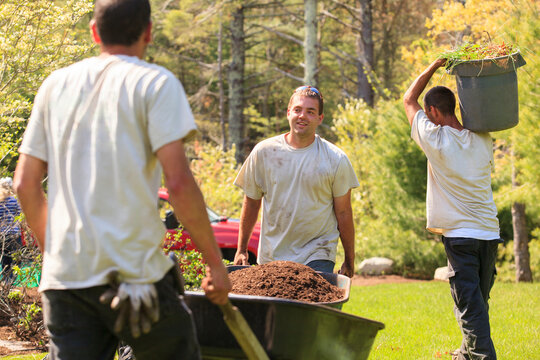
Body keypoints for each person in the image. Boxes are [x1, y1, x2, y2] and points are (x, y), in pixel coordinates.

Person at [14, 0, 231, 359]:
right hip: (136, 276)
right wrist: (215, 263)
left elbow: (24, 184)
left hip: (67, 281)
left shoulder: (55, 86)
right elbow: (177, 185)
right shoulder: (156, 84)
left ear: (94, 32)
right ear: (148, 33)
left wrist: (55, 253)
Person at [403, 59, 501, 360]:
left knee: (470, 306)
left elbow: (408, 99)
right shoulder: (483, 139)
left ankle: (482, 357)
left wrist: (434, 65)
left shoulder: (435, 139)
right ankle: (465, 354)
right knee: (477, 303)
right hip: (488, 232)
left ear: (432, 112)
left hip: (460, 237)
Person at [233, 86, 359, 277]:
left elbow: (343, 212)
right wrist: (241, 249)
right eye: (298, 110)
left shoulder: (335, 159)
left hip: (317, 253)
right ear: (288, 113)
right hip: (272, 256)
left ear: (320, 118)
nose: (303, 116)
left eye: (311, 112)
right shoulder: (264, 152)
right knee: (275, 308)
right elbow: (251, 203)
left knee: (310, 305)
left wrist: (350, 260)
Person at [0, 177, 22, 281]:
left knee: (5, 260)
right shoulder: (14, 201)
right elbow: (20, 216)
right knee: (16, 260)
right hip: (15, 234)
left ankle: (6, 281)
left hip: (3, 235)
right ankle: (13, 281)